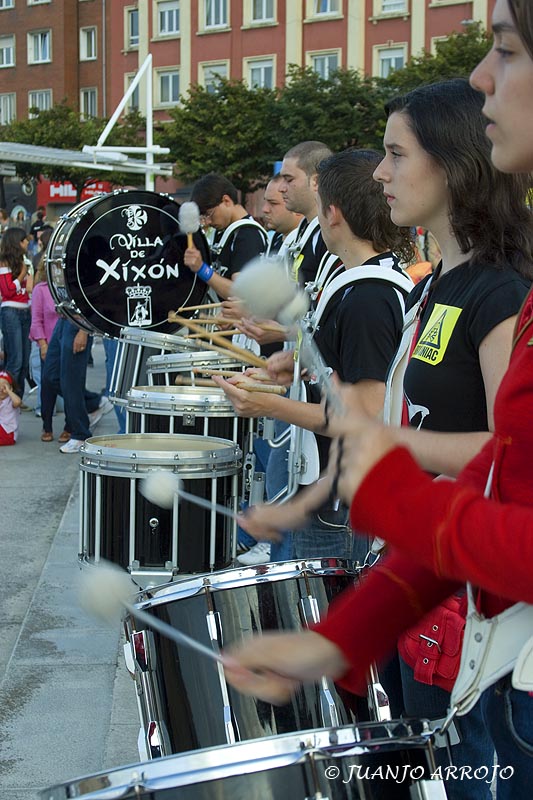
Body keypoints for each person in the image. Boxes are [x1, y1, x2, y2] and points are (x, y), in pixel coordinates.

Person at [224, 3, 533, 795]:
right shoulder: (446, 291)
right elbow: (503, 475)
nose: (480, 77)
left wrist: (389, 476)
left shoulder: (500, 292)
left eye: (504, 50)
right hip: (462, 619)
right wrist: (339, 638)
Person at [216, 148, 413, 563]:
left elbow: (366, 416)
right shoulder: (354, 281)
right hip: (324, 486)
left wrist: (268, 405)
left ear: (333, 213)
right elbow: (344, 368)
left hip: (338, 503)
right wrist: (300, 364)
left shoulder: (370, 298)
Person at [183, 173, 268, 300]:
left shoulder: (247, 234)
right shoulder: (223, 232)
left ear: (226, 201)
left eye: (209, 214)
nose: (208, 222)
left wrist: (202, 269)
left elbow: (241, 293)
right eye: (203, 217)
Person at [40, 318, 113, 451]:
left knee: (71, 380)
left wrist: (83, 330)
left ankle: (80, 434)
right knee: (50, 377)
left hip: (77, 321)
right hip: (63, 318)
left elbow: (90, 304)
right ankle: (94, 403)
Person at [0, 228, 32, 399]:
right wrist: (21, 275)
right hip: (11, 311)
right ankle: (7, 399)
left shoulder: (24, 261)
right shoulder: (4, 263)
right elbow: (7, 290)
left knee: (25, 360)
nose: (27, 243)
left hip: (25, 310)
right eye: (23, 240)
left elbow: (29, 288)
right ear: (17, 242)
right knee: (15, 359)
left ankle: (17, 397)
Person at [29, 228, 57, 419]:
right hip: (45, 341)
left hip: (62, 344)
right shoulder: (41, 289)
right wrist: (42, 344)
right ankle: (44, 410)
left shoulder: (67, 290)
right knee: (43, 377)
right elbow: (36, 320)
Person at [0, 369, 21, 445]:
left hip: (8, 432)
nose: (1, 389)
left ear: (11, 388)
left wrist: (9, 392)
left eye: (4, 386)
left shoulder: (11, 400)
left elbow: (18, 402)